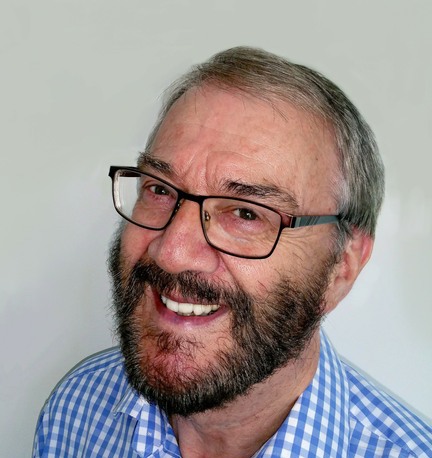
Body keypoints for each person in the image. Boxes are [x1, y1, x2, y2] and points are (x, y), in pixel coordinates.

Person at [33, 46, 432, 457]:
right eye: (159, 189)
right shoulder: (75, 411)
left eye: (246, 213)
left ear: (342, 267)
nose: (173, 252)